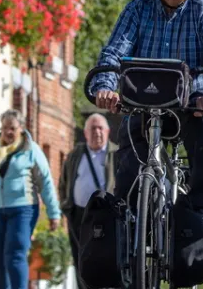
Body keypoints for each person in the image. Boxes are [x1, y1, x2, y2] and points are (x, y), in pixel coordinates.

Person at [86, 0, 203, 235]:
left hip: (190, 104)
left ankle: (202, 208)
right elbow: (114, 52)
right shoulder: (137, 9)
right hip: (143, 103)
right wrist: (106, 86)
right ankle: (127, 219)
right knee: (128, 150)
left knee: (202, 132)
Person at [0, 109, 61, 289]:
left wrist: (53, 213)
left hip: (22, 209)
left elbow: (45, 181)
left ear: (22, 129)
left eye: (13, 128)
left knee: (15, 254)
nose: (9, 132)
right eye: (5, 128)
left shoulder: (31, 150)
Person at [58, 113, 118, 289]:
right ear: (85, 133)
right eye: (93, 128)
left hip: (107, 216)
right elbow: (63, 182)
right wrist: (66, 207)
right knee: (81, 259)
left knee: (106, 258)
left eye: (100, 128)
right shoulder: (76, 154)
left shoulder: (116, 153)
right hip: (79, 215)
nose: (97, 132)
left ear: (107, 132)